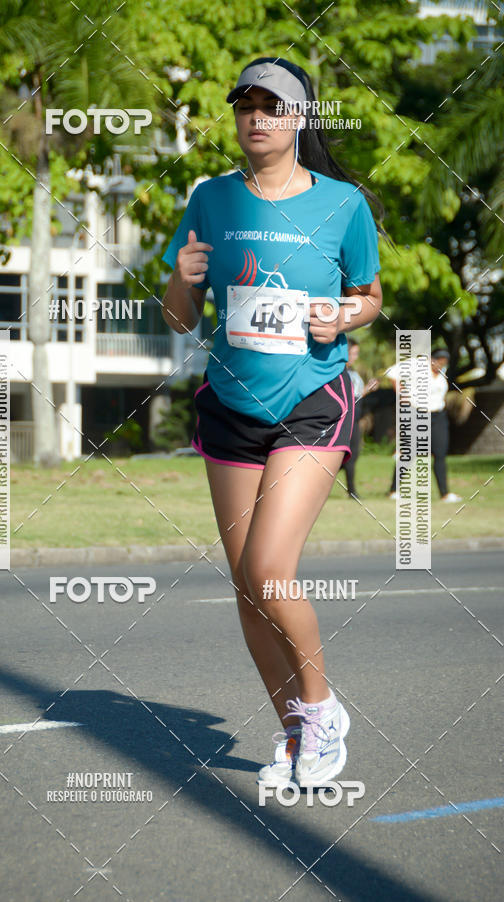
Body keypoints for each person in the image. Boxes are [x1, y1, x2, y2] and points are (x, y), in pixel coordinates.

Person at [161, 57, 384, 791]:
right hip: (229, 405)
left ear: (298, 119)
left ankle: (322, 710)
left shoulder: (343, 204)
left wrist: (345, 314)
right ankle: (295, 732)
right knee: (243, 584)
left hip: (311, 400)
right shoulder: (211, 199)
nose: (256, 116)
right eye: (245, 104)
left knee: (268, 569)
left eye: (272, 105)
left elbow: (368, 295)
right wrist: (182, 279)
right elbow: (179, 317)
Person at [387, 348, 461, 502]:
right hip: (418, 413)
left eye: (443, 362)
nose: (440, 365)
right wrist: (402, 395)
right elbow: (392, 373)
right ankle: (394, 490)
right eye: (438, 361)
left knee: (440, 453)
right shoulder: (417, 365)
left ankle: (445, 493)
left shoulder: (442, 370)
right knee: (409, 453)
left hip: (438, 415)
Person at [341, 338, 378, 498]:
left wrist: (367, 389)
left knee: (353, 454)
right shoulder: (338, 373)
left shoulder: (354, 373)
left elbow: (356, 395)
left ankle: (352, 490)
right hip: (342, 421)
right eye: (353, 353)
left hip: (355, 420)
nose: (356, 357)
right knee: (341, 455)